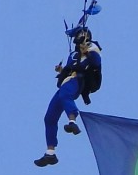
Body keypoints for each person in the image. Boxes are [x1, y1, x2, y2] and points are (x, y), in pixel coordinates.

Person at [34, 26, 101, 167]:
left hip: (78, 81)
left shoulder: (92, 46)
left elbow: (96, 62)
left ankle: (73, 121)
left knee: (65, 95)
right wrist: (62, 70)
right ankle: (50, 153)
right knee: (49, 117)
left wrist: (87, 52)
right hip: (66, 82)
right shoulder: (73, 54)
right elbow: (71, 67)